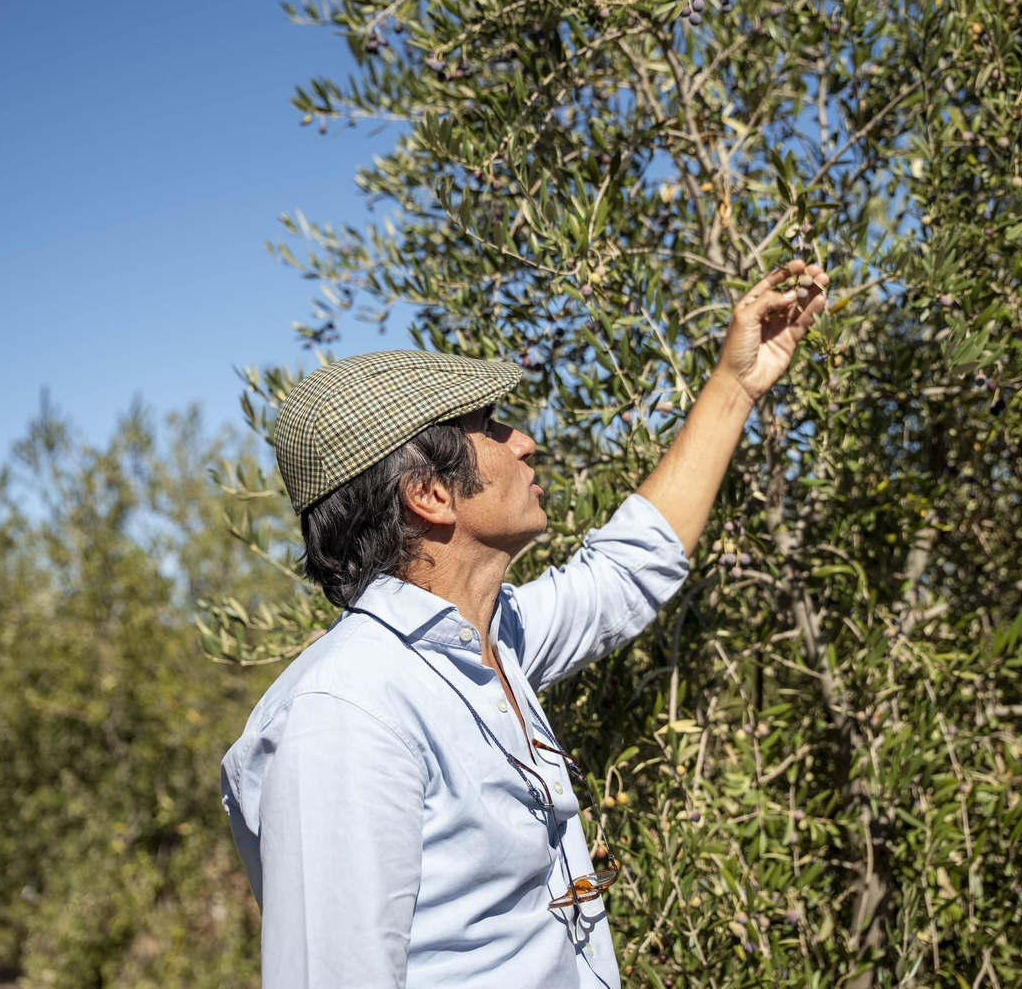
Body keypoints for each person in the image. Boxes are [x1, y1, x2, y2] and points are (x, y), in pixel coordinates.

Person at [221, 261, 830, 987]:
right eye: (491, 427)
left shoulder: (485, 640)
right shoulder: (347, 714)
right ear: (429, 494)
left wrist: (736, 386)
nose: (525, 442)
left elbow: (625, 572)